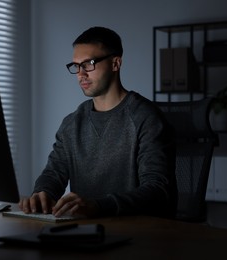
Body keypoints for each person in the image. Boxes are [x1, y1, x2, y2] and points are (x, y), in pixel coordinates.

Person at [19, 26, 177, 219]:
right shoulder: (72, 123)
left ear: (115, 63)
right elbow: (53, 173)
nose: (80, 74)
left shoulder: (146, 118)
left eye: (89, 64)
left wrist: (98, 207)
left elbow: (158, 190)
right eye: (76, 66)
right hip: (86, 234)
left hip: (137, 234)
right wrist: (41, 194)